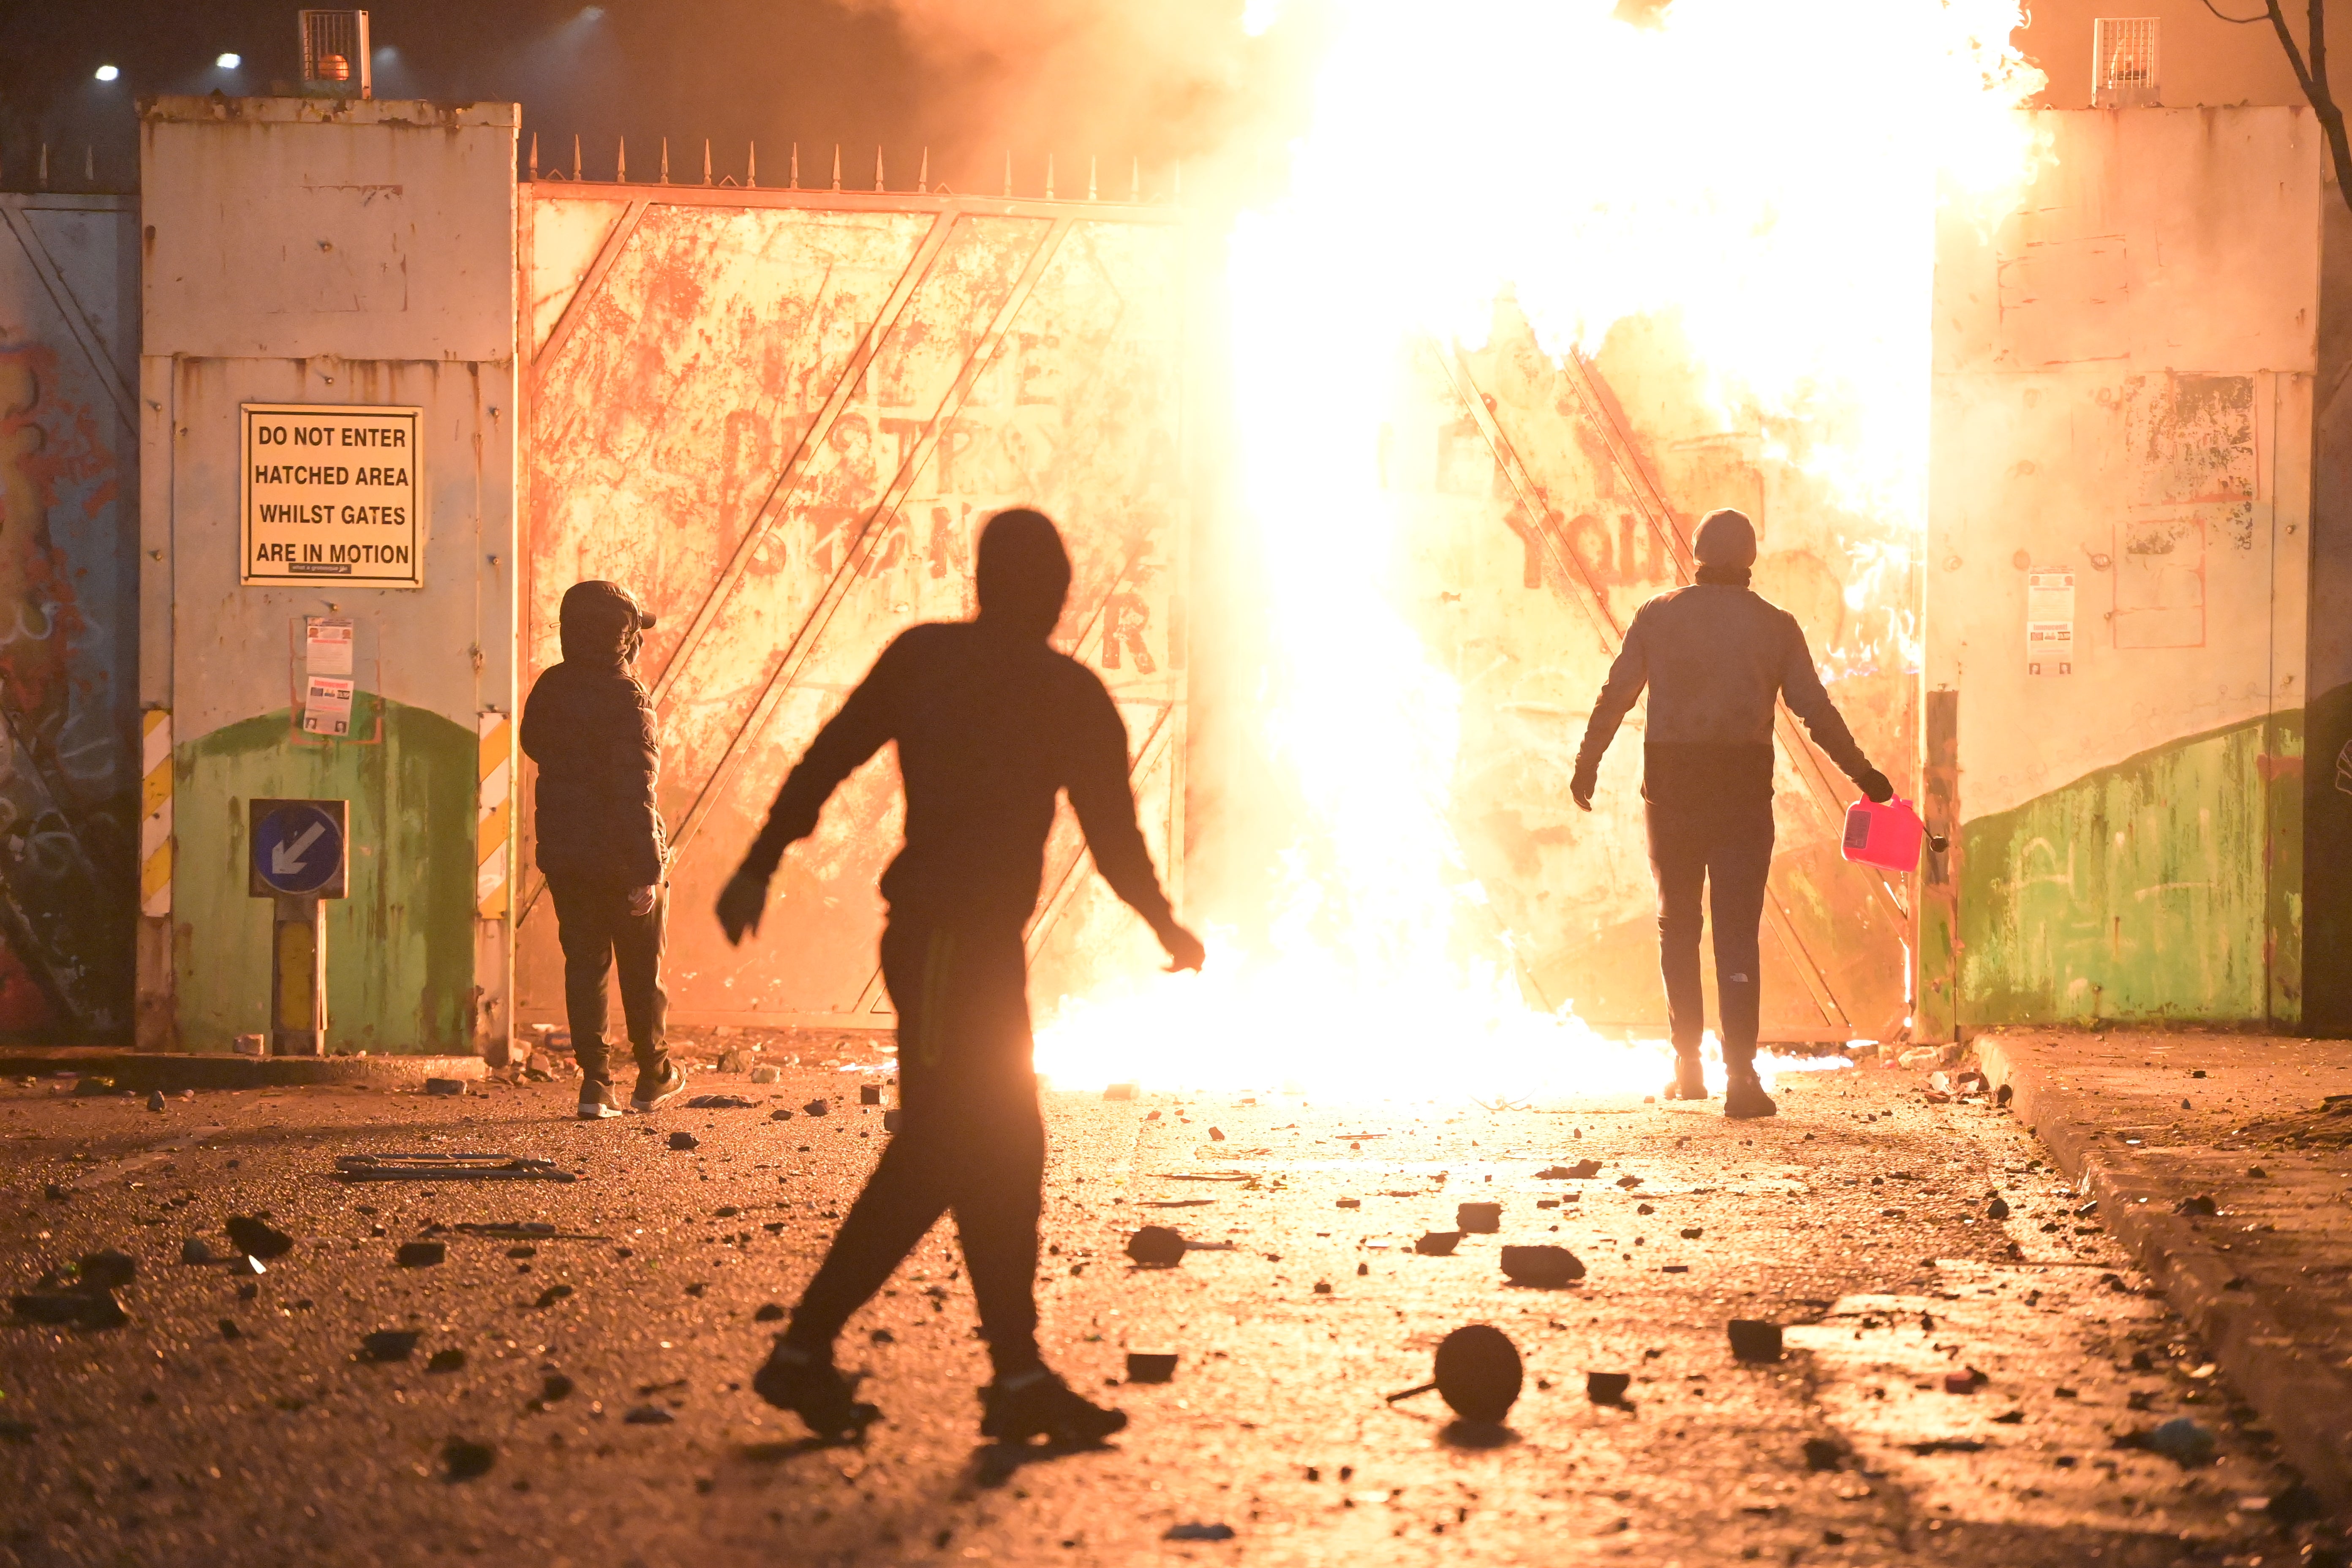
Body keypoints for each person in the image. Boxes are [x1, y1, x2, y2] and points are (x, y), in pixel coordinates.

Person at [717, 508, 1205, 1447]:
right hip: (950, 945)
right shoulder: (1068, 693)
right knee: (951, 1144)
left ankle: (1014, 1375)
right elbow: (1114, 837)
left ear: (982, 582)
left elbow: (828, 756)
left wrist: (761, 858)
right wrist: (1163, 922)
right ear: (1057, 594)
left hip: (965, 950)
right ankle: (811, 1350)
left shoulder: (927, 660)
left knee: (1003, 1149)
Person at [1571, 509, 1891, 1120]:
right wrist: (1866, 776)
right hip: (1742, 790)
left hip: (1671, 788)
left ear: (1696, 553)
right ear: (1749, 560)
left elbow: (1616, 694)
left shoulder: (1657, 615)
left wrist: (1588, 762)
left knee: (1678, 925)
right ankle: (1742, 1077)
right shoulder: (1776, 626)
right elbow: (1815, 712)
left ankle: (1687, 1068)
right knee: (1737, 933)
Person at [519, 580, 687, 1120]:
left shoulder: (550, 688)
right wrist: (646, 869)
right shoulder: (629, 697)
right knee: (641, 968)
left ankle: (596, 1085)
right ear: (626, 637)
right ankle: (653, 1075)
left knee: (585, 964)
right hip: (622, 857)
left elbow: (533, 745)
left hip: (567, 856)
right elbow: (637, 789)